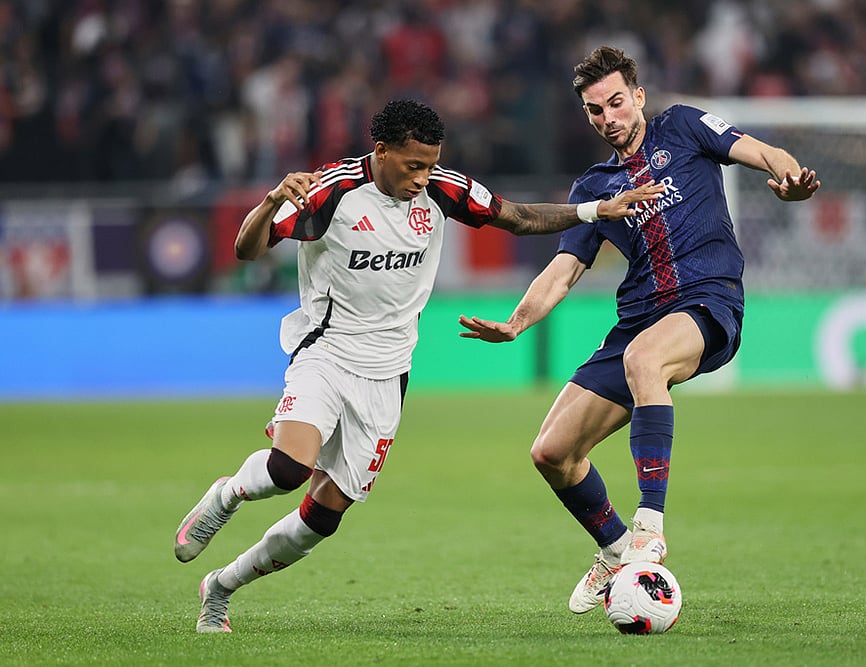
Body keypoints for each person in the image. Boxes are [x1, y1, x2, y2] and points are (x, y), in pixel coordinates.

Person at [172, 99, 663, 633]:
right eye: (412, 166)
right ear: (381, 151)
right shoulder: (332, 191)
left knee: (324, 516)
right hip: (326, 354)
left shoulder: (443, 189)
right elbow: (247, 250)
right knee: (289, 469)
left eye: (431, 165)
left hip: (389, 375)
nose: (422, 178)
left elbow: (518, 218)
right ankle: (226, 496)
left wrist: (594, 211)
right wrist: (270, 202)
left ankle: (221, 587)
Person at [458, 46, 820, 614]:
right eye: (595, 109)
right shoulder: (593, 188)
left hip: (707, 301)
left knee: (645, 360)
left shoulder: (684, 126)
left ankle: (650, 526)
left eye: (617, 102)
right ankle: (615, 548)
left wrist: (790, 176)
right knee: (551, 452)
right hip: (638, 320)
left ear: (639, 96)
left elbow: (761, 151)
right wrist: (516, 323)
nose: (609, 117)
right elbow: (563, 270)